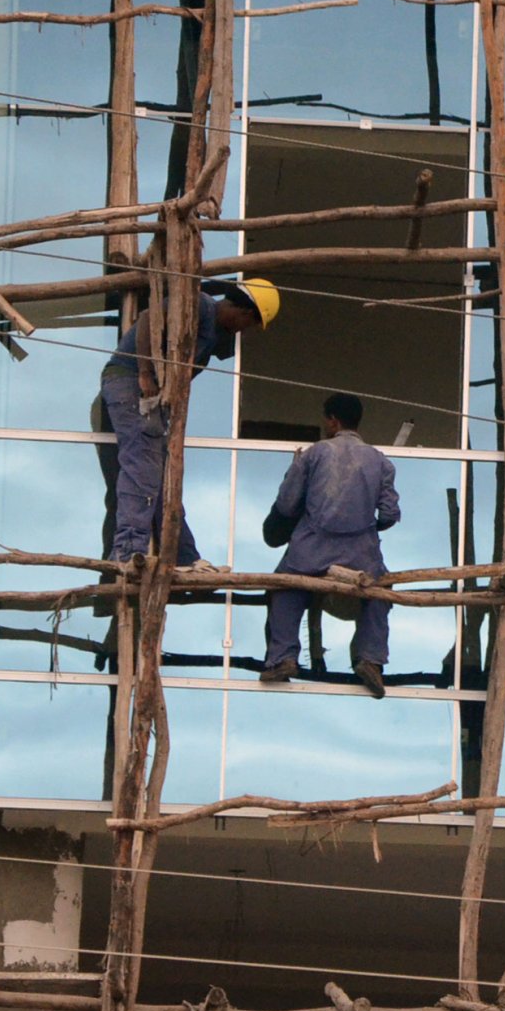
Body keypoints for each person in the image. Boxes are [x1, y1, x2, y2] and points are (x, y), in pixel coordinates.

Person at [96, 276, 280, 563]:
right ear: (245, 314)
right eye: (250, 324)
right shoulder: (198, 306)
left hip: (152, 395)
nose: (245, 331)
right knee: (141, 468)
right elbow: (147, 321)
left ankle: (183, 555)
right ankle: (127, 550)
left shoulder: (217, 333)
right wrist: (145, 373)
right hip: (128, 380)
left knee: (162, 477)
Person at [261, 394, 400, 698]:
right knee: (379, 593)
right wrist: (365, 529)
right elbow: (390, 514)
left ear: (333, 420)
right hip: (361, 555)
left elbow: (286, 504)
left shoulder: (314, 454)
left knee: (283, 588)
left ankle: (282, 658)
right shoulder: (380, 461)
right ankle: (371, 660)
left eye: (325, 420)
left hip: (310, 550)